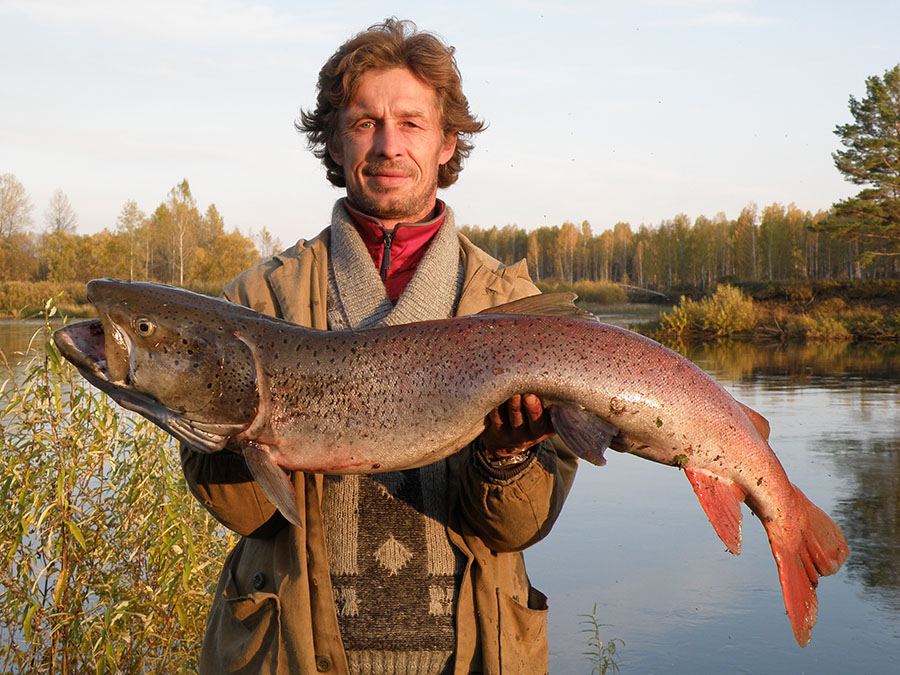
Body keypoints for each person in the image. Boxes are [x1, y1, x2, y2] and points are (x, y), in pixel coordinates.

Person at [180, 18, 577, 675]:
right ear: (334, 142)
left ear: (449, 143)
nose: (389, 145)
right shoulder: (255, 303)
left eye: (412, 123)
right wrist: (223, 420)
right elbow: (249, 514)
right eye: (365, 122)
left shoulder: (511, 303)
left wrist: (507, 458)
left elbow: (516, 528)